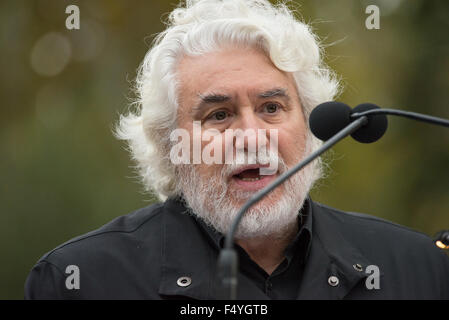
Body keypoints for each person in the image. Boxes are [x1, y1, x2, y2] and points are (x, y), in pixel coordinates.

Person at [25, 0, 449, 300]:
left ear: (309, 125)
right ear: (171, 145)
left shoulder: (420, 268)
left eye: (271, 108)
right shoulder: (80, 281)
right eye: (219, 115)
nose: (252, 136)